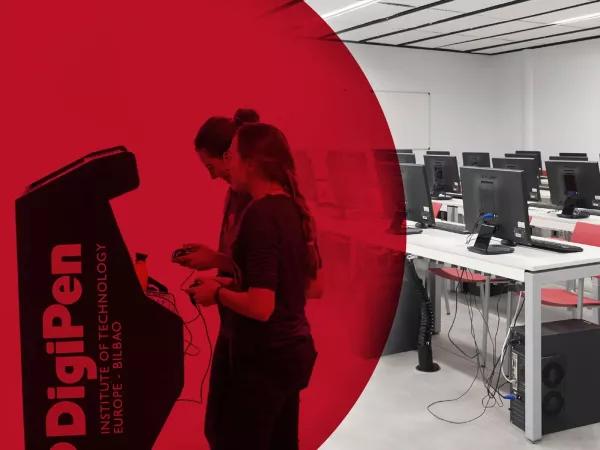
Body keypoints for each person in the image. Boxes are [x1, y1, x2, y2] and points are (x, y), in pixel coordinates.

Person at [185, 123, 321, 449]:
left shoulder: (259, 215)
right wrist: (230, 275)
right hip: (292, 352)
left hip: (265, 357)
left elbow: (261, 307)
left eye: (232, 155)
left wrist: (216, 293)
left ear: (250, 162)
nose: (227, 164)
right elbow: (312, 286)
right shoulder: (293, 210)